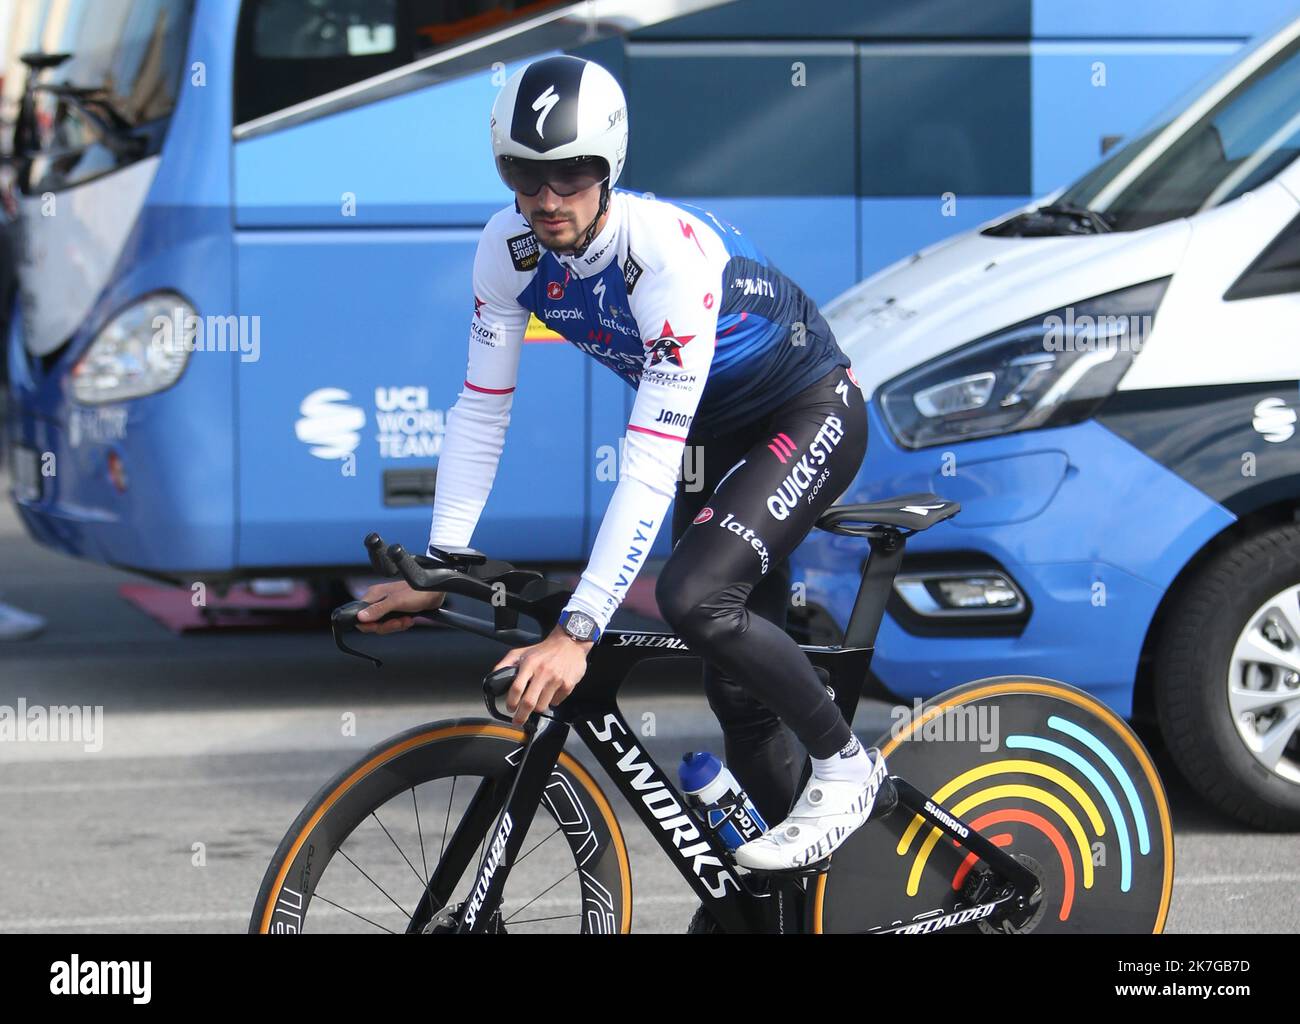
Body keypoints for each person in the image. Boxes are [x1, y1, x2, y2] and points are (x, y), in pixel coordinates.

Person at [357, 55, 884, 871]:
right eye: (523, 174)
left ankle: (848, 766)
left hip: (806, 408)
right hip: (714, 431)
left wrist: (578, 630)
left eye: (571, 174)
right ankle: (823, 902)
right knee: (736, 694)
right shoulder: (508, 250)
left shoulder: (663, 260)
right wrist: (442, 560)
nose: (546, 197)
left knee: (696, 599)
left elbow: (644, 464)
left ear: (609, 170)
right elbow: (481, 408)